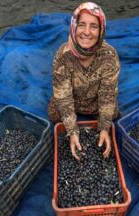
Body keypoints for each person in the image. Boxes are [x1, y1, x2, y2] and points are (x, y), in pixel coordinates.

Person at [47, 2, 120, 160]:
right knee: (54, 114)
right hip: (72, 100)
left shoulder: (109, 55)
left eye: (94, 26)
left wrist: (104, 129)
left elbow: (107, 94)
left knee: (112, 113)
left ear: (101, 30)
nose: (87, 32)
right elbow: (63, 96)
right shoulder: (63, 55)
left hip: (95, 101)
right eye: (82, 25)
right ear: (74, 26)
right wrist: (72, 132)